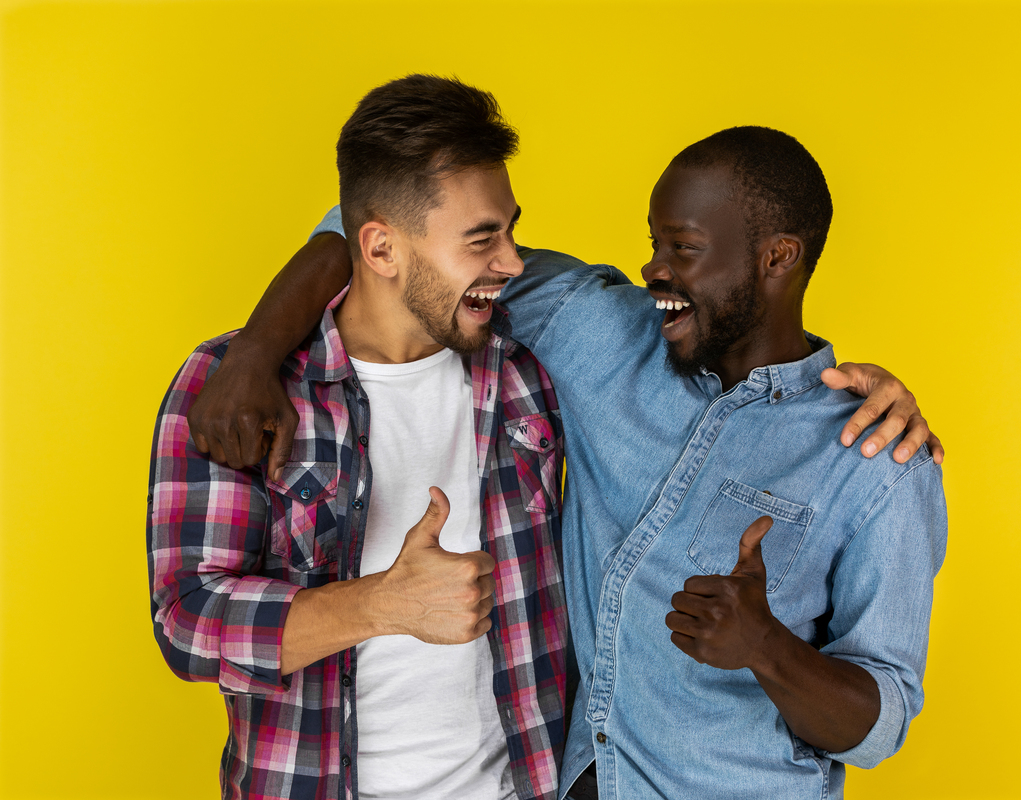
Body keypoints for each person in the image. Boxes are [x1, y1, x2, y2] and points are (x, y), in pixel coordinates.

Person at [186, 95, 947, 798]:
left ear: (778, 258)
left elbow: (882, 724)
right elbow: (375, 229)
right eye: (653, 242)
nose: (653, 268)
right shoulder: (596, 330)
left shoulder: (874, 459)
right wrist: (255, 352)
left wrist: (767, 648)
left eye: (682, 248)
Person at [148, 76, 570, 800]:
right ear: (379, 249)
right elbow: (188, 621)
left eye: (509, 229)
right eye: (481, 239)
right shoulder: (236, 384)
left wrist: (829, 385)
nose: (513, 263)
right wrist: (385, 604)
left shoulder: (528, 374)